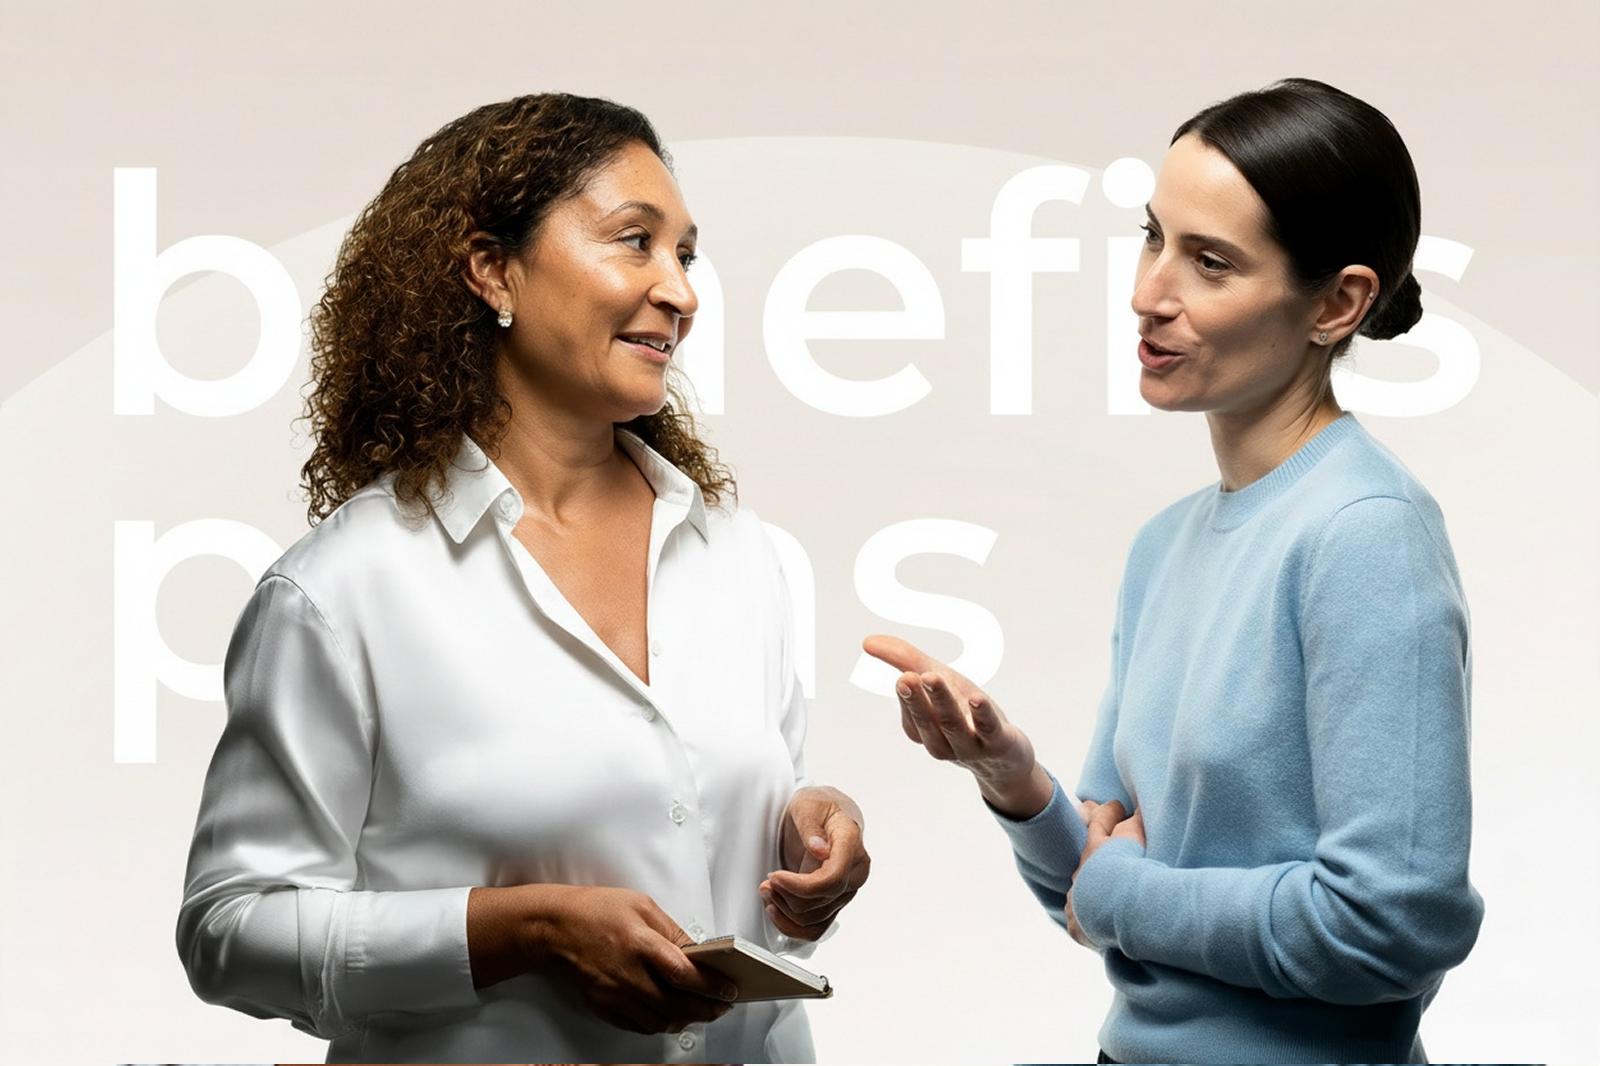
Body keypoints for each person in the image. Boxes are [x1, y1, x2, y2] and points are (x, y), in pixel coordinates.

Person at [176, 92, 868, 1065]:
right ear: (492, 269)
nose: (680, 290)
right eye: (636, 242)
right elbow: (229, 930)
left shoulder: (735, 550)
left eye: (686, 255)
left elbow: (723, 844)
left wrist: (800, 839)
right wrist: (515, 930)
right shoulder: (342, 592)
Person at [865, 78, 1483, 1064]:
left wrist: (1119, 887)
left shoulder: (1366, 535)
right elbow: (1096, 893)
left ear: (1337, 302)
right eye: (1153, 236)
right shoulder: (1165, 546)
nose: (1148, 293)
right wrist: (1015, 783)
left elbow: (1392, 926)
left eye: (1208, 261)